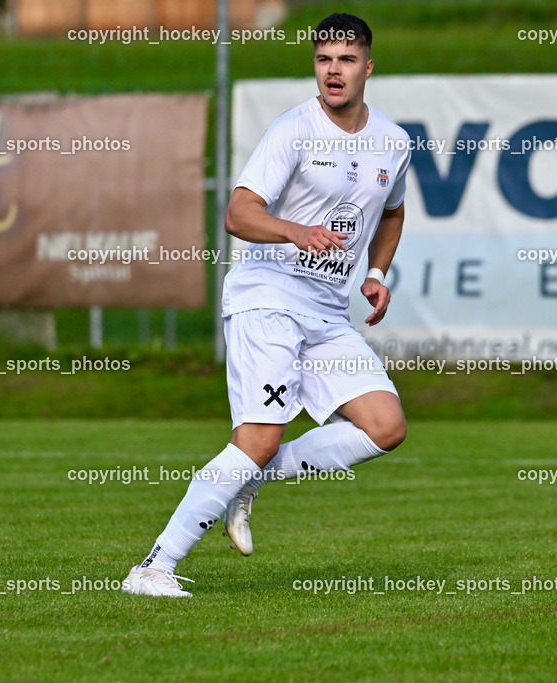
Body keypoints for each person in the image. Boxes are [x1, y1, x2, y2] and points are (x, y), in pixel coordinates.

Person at [124, 12, 411, 597]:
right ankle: (153, 568)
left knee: (385, 427)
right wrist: (293, 230)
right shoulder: (293, 131)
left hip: (328, 314)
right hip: (267, 299)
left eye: (347, 59)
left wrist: (376, 272)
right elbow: (238, 214)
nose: (334, 70)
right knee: (257, 437)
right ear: (315, 66)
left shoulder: (394, 141)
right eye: (324, 59)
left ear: (368, 68)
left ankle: (248, 480)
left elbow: (392, 211)